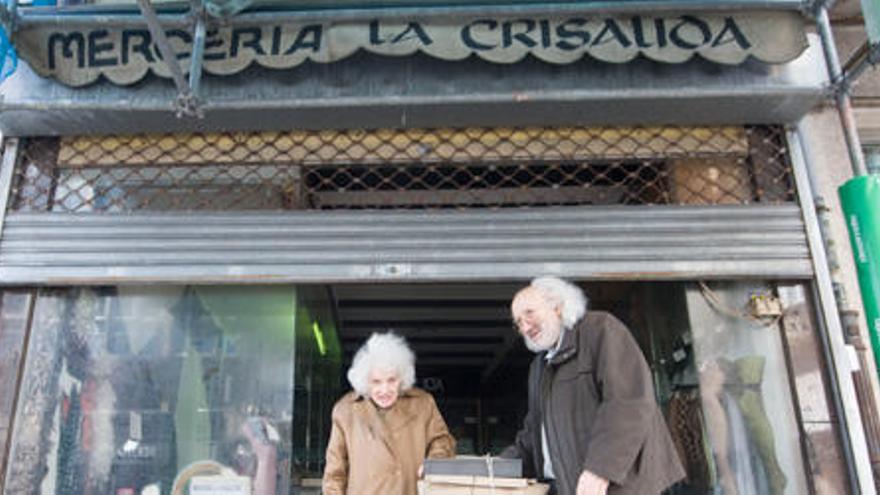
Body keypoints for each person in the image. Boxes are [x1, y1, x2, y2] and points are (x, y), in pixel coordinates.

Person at [503, 276, 685, 495]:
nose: (524, 326)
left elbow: (627, 402)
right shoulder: (539, 367)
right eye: (518, 322)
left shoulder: (600, 330)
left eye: (529, 313)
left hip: (619, 486)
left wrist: (600, 470)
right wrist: (492, 469)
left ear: (557, 306)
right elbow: (533, 433)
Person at [322, 332, 456, 494]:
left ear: (402, 377)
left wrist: (434, 466)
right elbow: (335, 473)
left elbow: (442, 441)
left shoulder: (423, 404)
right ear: (364, 381)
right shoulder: (345, 411)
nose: (384, 390)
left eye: (391, 380)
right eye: (376, 382)